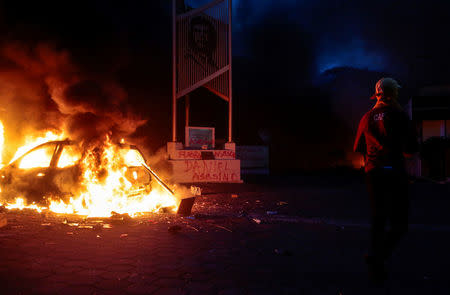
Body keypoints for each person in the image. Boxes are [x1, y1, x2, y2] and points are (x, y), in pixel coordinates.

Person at [354, 77, 418, 283]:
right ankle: (377, 258)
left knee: (378, 219)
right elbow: (411, 150)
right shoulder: (400, 115)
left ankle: (376, 265)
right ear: (394, 93)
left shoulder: (366, 117)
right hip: (395, 173)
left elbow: (359, 149)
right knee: (400, 224)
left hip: (373, 173)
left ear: (377, 95)